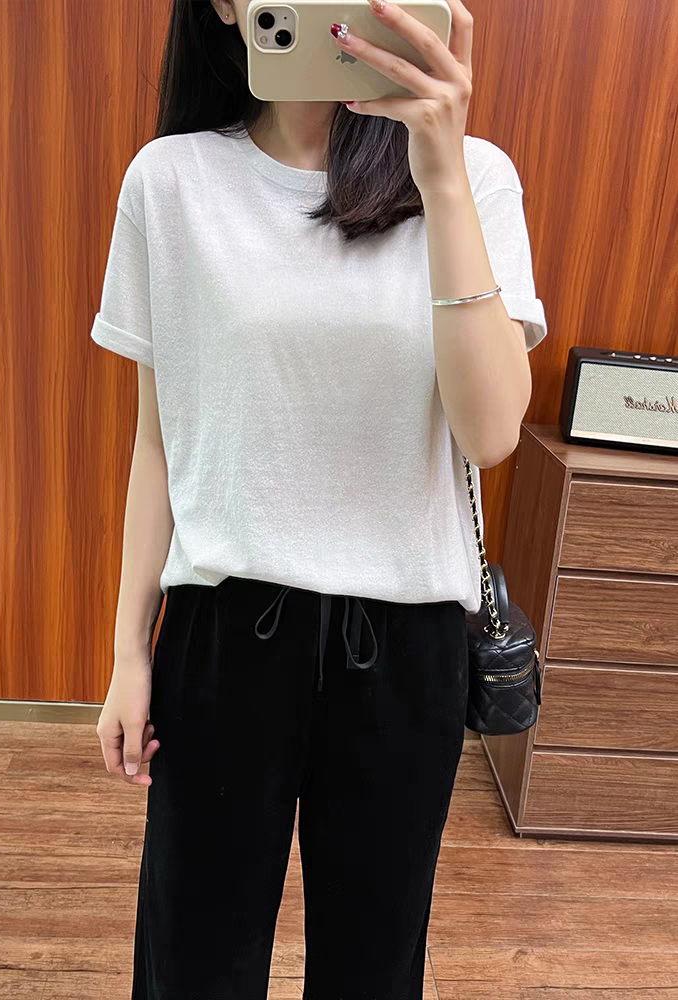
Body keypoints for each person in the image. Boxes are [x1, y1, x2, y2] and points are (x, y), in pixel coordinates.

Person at [91, 1, 548, 997]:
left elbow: (490, 434)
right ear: (225, 5)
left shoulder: (475, 176)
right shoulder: (171, 182)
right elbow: (159, 440)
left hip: (407, 643)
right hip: (224, 636)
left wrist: (440, 172)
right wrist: (129, 653)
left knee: (373, 969)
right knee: (193, 964)